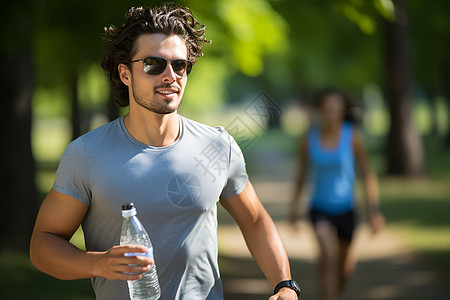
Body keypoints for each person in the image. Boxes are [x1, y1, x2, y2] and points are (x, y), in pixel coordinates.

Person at [29, 3, 300, 300]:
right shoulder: (86, 154)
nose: (170, 75)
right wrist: (97, 263)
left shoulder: (218, 146)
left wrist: (285, 285)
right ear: (125, 73)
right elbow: (43, 245)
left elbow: (255, 220)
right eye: (153, 64)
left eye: (179, 65)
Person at [289, 88, 385, 300]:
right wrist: (294, 210)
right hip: (320, 207)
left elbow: (368, 174)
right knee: (327, 256)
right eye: (328, 109)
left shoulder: (352, 137)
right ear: (320, 111)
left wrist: (374, 210)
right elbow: (301, 176)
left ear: (343, 111)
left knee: (345, 267)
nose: (332, 113)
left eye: (337, 109)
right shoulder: (309, 139)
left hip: (347, 208)